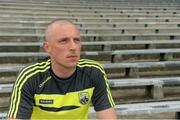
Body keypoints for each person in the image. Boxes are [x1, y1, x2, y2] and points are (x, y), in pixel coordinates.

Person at [7, 19, 117, 119]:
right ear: (47, 47)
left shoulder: (94, 72)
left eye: (76, 40)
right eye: (64, 41)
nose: (73, 47)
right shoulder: (30, 77)